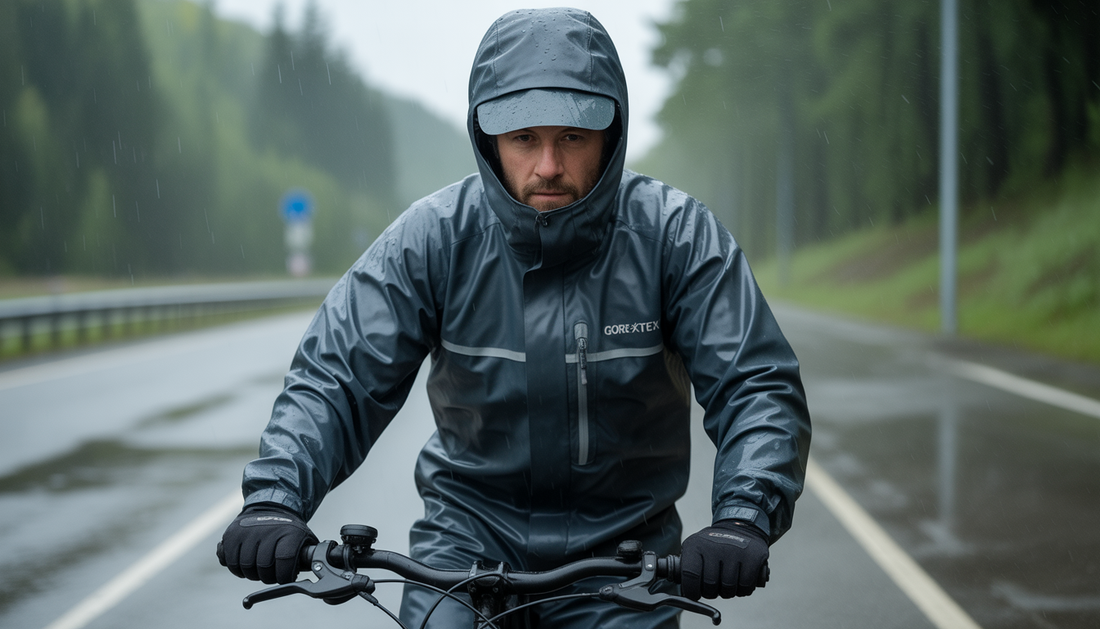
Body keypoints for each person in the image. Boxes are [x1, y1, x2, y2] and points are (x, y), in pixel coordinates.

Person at [218, 7, 811, 628]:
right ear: (489, 140)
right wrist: (275, 501)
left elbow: (755, 384)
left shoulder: (676, 238)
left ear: (610, 136)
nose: (548, 165)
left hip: (626, 566)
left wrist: (742, 517)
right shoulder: (434, 239)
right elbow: (336, 378)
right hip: (463, 553)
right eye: (524, 138)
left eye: (572, 137)